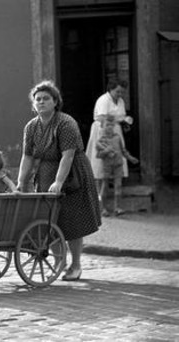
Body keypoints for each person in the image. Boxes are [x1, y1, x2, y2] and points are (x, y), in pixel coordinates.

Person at [16, 80, 101, 281]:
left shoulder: (65, 123)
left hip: (72, 174)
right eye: (38, 99)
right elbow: (27, 156)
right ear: (33, 104)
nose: (42, 102)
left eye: (46, 99)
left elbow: (68, 155)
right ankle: (58, 261)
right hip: (46, 172)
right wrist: (21, 182)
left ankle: (76, 265)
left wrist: (59, 182)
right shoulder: (31, 127)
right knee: (49, 219)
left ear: (55, 102)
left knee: (72, 220)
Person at [85, 78, 134, 192]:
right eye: (117, 91)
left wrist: (124, 122)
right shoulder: (104, 100)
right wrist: (118, 119)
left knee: (116, 153)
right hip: (102, 129)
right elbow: (102, 118)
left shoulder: (120, 101)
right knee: (102, 155)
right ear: (110, 90)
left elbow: (121, 116)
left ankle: (112, 180)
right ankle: (98, 187)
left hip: (115, 130)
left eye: (122, 92)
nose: (120, 94)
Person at [96, 114, 139, 216]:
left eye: (112, 125)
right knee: (104, 186)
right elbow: (98, 155)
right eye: (107, 125)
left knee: (118, 186)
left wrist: (130, 158)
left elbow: (123, 151)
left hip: (118, 165)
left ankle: (117, 207)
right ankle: (103, 208)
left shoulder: (117, 137)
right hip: (106, 166)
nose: (110, 127)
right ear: (102, 126)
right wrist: (106, 151)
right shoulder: (101, 141)